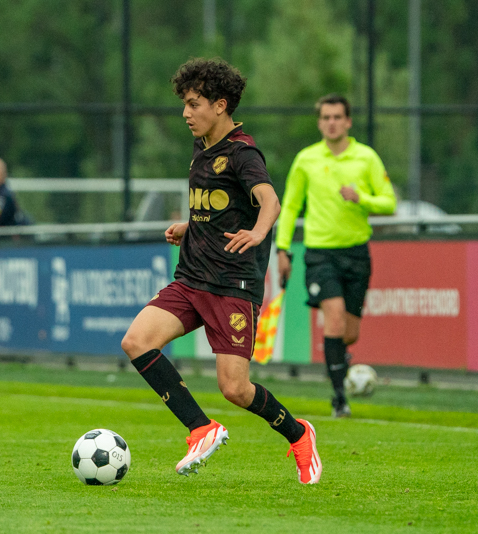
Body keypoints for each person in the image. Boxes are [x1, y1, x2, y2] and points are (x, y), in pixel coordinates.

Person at [121, 58, 322, 484]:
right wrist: (189, 226)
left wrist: (258, 231)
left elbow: (270, 202)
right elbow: (219, 208)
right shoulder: (202, 148)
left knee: (235, 389)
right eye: (185, 104)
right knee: (136, 341)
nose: (186, 113)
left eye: (194, 104)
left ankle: (298, 433)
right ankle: (200, 428)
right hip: (191, 277)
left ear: (220, 104)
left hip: (233, 284)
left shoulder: (242, 152)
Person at [275, 94, 396, 418]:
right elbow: (289, 207)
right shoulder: (306, 159)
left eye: (337, 117)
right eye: (325, 117)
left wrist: (362, 198)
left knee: (350, 332)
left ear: (348, 121)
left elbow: (389, 203)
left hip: (356, 253)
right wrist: (282, 248)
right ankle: (339, 396)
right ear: (320, 122)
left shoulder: (366, 158)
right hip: (319, 254)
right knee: (335, 316)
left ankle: (340, 363)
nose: (331, 122)